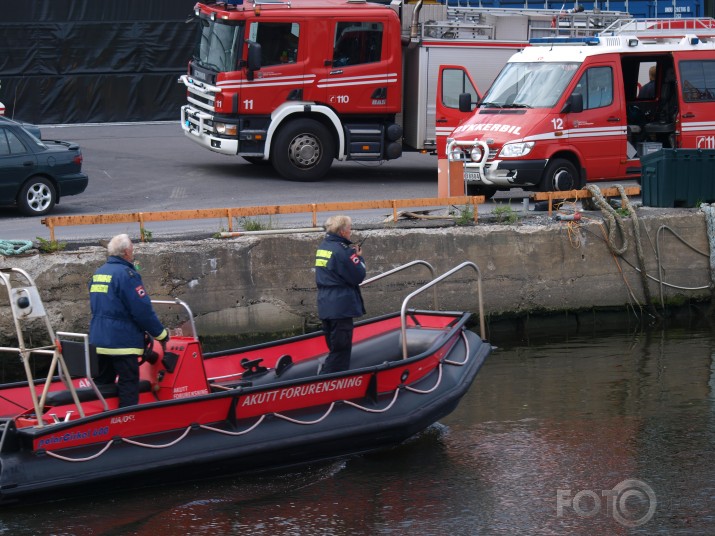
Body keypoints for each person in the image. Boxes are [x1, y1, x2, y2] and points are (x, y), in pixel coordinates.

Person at [89, 234, 169, 407]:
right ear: (126, 252)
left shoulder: (99, 273)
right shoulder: (128, 276)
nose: (133, 252)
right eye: (132, 249)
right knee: (128, 384)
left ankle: (102, 423)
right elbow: (142, 311)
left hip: (99, 341)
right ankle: (127, 422)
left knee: (103, 385)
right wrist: (161, 334)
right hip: (122, 343)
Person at [315, 215, 366, 374]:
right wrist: (359, 257)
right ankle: (326, 384)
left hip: (325, 305)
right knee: (341, 352)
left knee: (334, 348)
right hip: (340, 308)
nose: (351, 232)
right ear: (343, 232)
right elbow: (359, 275)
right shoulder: (343, 251)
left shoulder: (323, 247)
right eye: (349, 229)